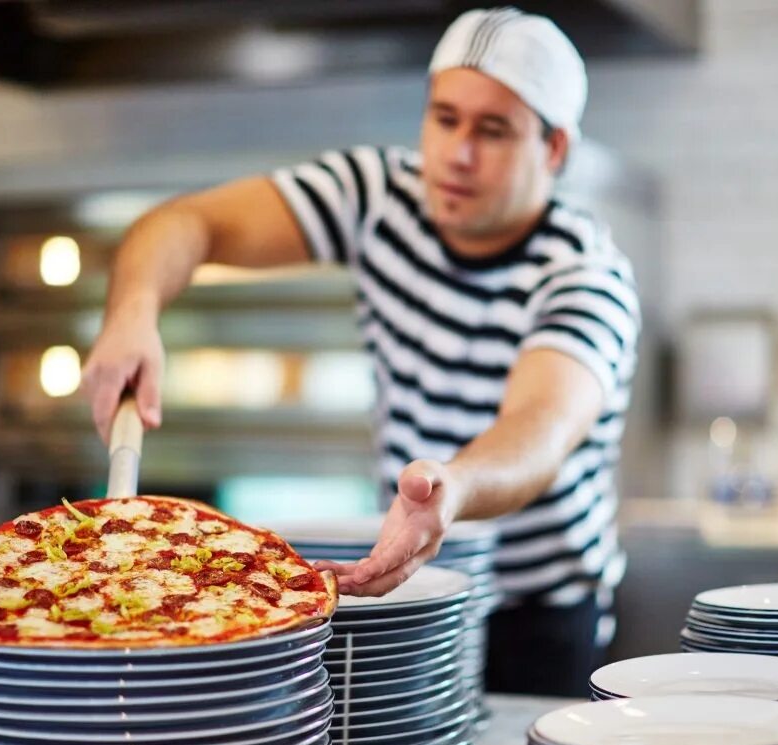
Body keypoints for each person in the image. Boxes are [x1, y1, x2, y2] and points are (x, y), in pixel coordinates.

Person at [82, 7, 640, 697]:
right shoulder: (379, 195)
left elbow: (541, 429)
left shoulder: (586, 271)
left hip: (540, 615)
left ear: (553, 149)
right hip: (411, 581)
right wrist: (132, 314)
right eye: (445, 118)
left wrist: (454, 488)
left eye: (493, 131)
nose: (458, 154)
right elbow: (183, 222)